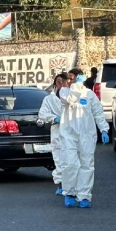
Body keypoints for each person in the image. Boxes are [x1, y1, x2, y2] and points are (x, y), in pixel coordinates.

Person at [58, 70, 110, 208]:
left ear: (79, 78)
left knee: (87, 165)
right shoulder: (64, 92)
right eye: (68, 79)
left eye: (71, 78)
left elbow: (98, 112)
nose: (69, 81)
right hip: (68, 134)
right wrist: (76, 86)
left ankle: (84, 196)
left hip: (87, 134)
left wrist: (104, 128)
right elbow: (70, 99)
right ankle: (70, 193)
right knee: (70, 164)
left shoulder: (89, 94)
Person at [38, 73, 68, 195]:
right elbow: (42, 114)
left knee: (72, 160)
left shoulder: (73, 97)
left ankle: (73, 185)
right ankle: (61, 184)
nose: (60, 84)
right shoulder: (49, 99)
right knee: (59, 159)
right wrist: (54, 118)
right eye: (58, 81)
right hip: (58, 131)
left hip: (73, 131)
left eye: (63, 81)